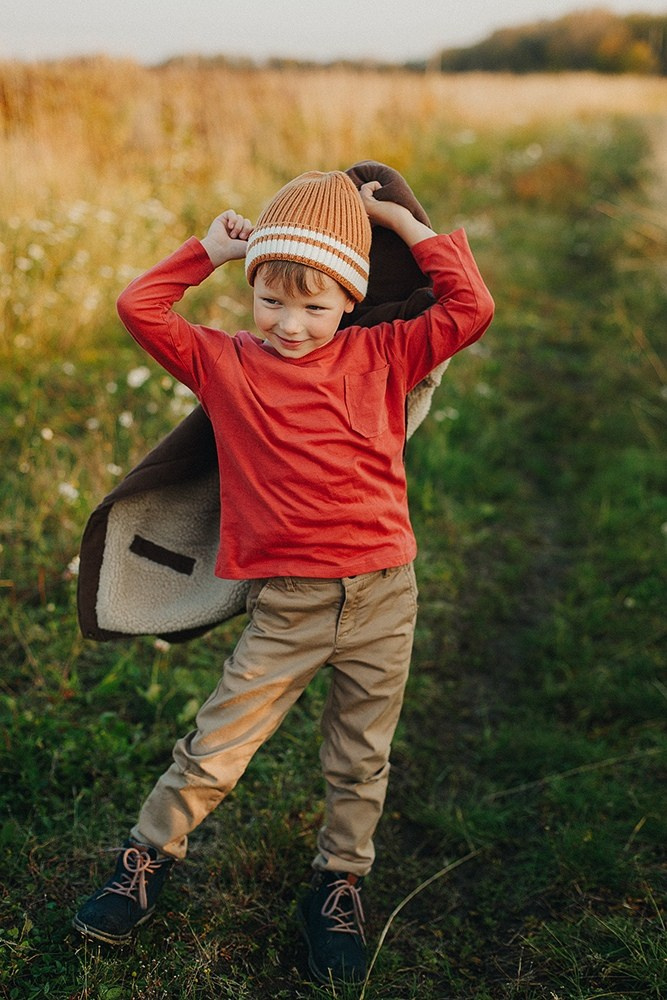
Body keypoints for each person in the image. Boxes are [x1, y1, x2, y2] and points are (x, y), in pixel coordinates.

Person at [72, 168, 494, 984]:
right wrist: (210, 249)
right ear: (251, 290)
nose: (291, 325)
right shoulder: (226, 364)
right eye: (271, 299)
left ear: (350, 299)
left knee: (360, 757)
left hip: (382, 597)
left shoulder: (385, 353)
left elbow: (469, 306)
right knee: (216, 746)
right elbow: (140, 309)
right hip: (288, 605)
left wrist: (398, 225)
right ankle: (143, 862)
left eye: (315, 304)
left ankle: (337, 886)